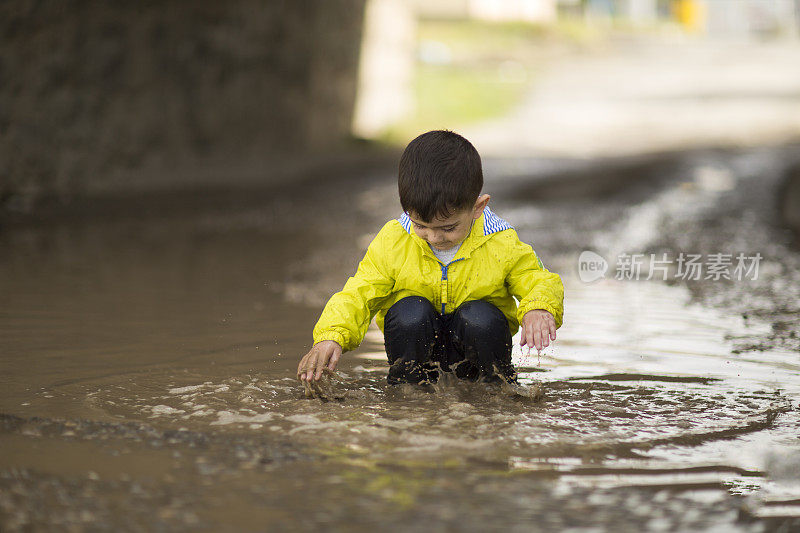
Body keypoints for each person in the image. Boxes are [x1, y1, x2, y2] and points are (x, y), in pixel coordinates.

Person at [297, 130, 564, 386]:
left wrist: (538, 308)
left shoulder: (500, 240)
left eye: (448, 228)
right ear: (407, 209)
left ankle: (494, 387)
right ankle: (409, 390)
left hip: (476, 343)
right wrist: (330, 336)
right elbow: (359, 292)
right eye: (421, 225)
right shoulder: (394, 240)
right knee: (409, 312)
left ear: (477, 208)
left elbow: (537, 278)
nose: (434, 238)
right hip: (417, 342)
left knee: (479, 316)